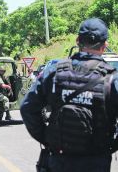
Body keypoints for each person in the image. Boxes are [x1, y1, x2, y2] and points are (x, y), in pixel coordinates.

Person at [20, 18, 118, 172]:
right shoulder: (112, 79)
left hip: (59, 159)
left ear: (78, 41)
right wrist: (112, 145)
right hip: (97, 160)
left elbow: (27, 107)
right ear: (104, 46)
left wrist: (46, 138)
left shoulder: (53, 71)